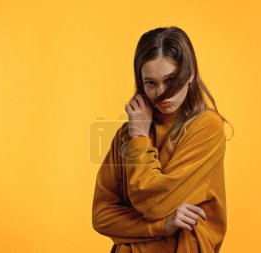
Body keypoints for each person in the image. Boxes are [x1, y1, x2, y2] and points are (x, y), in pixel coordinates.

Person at [92, 26, 234, 253]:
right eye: (151, 83)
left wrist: (138, 138)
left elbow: (156, 203)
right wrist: (162, 226)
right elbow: (101, 215)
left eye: (171, 80)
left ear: (190, 74)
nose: (162, 93)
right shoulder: (127, 133)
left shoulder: (207, 127)